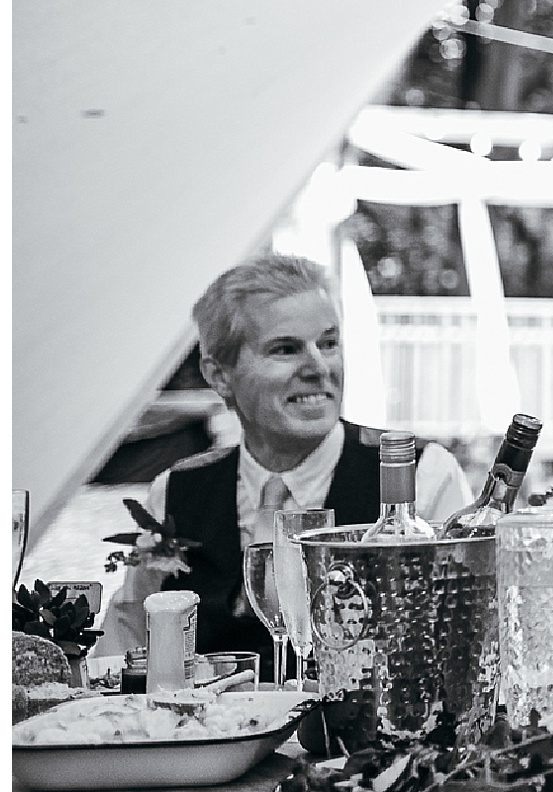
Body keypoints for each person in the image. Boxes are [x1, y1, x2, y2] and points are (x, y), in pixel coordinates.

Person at [97, 255, 470, 669]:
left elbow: (465, 640)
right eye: (286, 349)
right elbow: (126, 646)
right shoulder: (177, 492)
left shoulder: (423, 475)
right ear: (219, 375)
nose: (318, 367)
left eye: (328, 343)